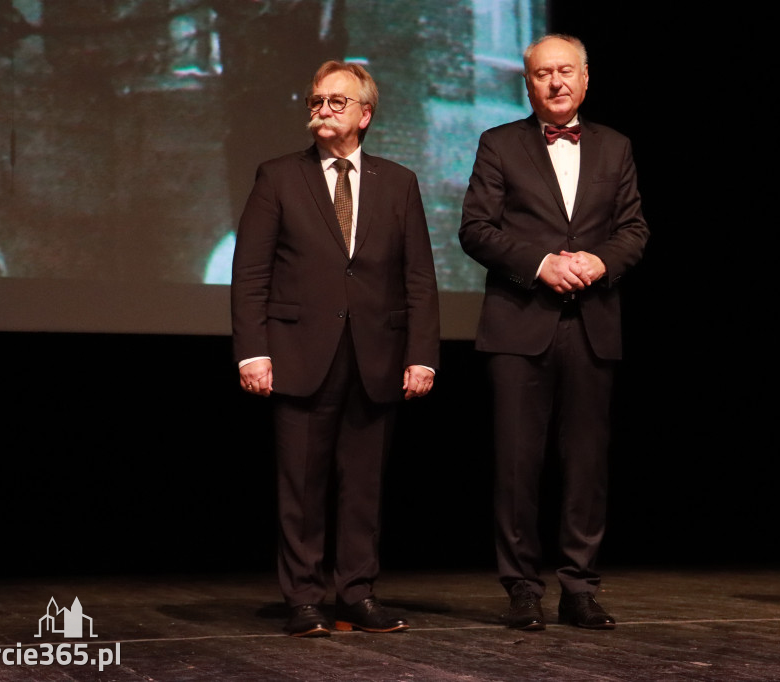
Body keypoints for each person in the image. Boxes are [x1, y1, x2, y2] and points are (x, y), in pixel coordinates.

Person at [231, 60, 440, 637]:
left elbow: (418, 276)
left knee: (364, 486)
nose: (322, 110)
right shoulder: (277, 176)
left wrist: (421, 354)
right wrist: (253, 352)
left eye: (336, 102)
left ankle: (357, 592)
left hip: (376, 354)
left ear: (364, 114)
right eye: (316, 101)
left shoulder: (398, 182)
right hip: (299, 352)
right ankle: (303, 598)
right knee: (300, 485)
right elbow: (250, 272)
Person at [459, 34, 649, 631]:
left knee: (586, 465)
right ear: (528, 83)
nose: (556, 82)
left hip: (593, 327)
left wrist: (601, 262)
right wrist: (541, 263)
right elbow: (476, 229)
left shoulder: (616, 147)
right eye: (543, 73)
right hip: (520, 325)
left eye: (566, 71)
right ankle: (521, 587)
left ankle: (579, 587)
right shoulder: (499, 144)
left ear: (586, 78)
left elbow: (634, 229)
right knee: (517, 465)